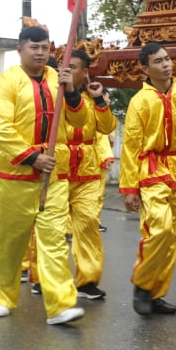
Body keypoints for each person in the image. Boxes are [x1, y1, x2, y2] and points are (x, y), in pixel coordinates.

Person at [0, 25, 87, 325]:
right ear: (20, 49)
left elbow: (78, 121)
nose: (41, 53)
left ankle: (60, 305)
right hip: (17, 173)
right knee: (11, 240)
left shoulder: (59, 78)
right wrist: (32, 157)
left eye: (45, 48)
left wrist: (73, 93)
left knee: (54, 240)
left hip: (54, 175)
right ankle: (1, 296)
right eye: (34, 47)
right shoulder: (8, 81)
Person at [119, 42, 176, 315]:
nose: (166, 64)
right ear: (146, 68)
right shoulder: (140, 101)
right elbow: (131, 145)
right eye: (158, 61)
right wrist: (129, 188)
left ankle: (156, 294)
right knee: (159, 228)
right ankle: (143, 285)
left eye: (168, 59)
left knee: (172, 238)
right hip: (151, 169)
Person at [55, 49, 116, 300]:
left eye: (74, 66)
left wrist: (100, 100)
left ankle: (87, 280)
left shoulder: (93, 98)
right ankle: (40, 274)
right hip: (58, 167)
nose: (67, 70)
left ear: (85, 72)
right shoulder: (50, 94)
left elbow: (107, 127)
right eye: (64, 66)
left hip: (87, 170)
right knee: (52, 226)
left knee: (89, 223)